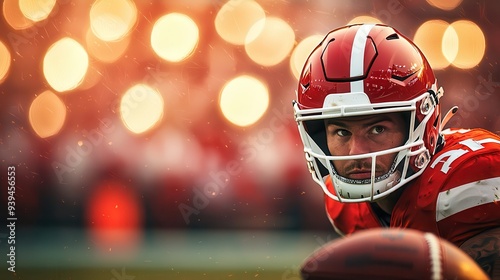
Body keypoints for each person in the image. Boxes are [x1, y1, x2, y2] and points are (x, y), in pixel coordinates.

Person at [293, 23, 500, 278]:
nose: (356, 153)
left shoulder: (470, 176)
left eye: (377, 129)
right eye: (342, 132)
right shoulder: (346, 206)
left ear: (423, 124)